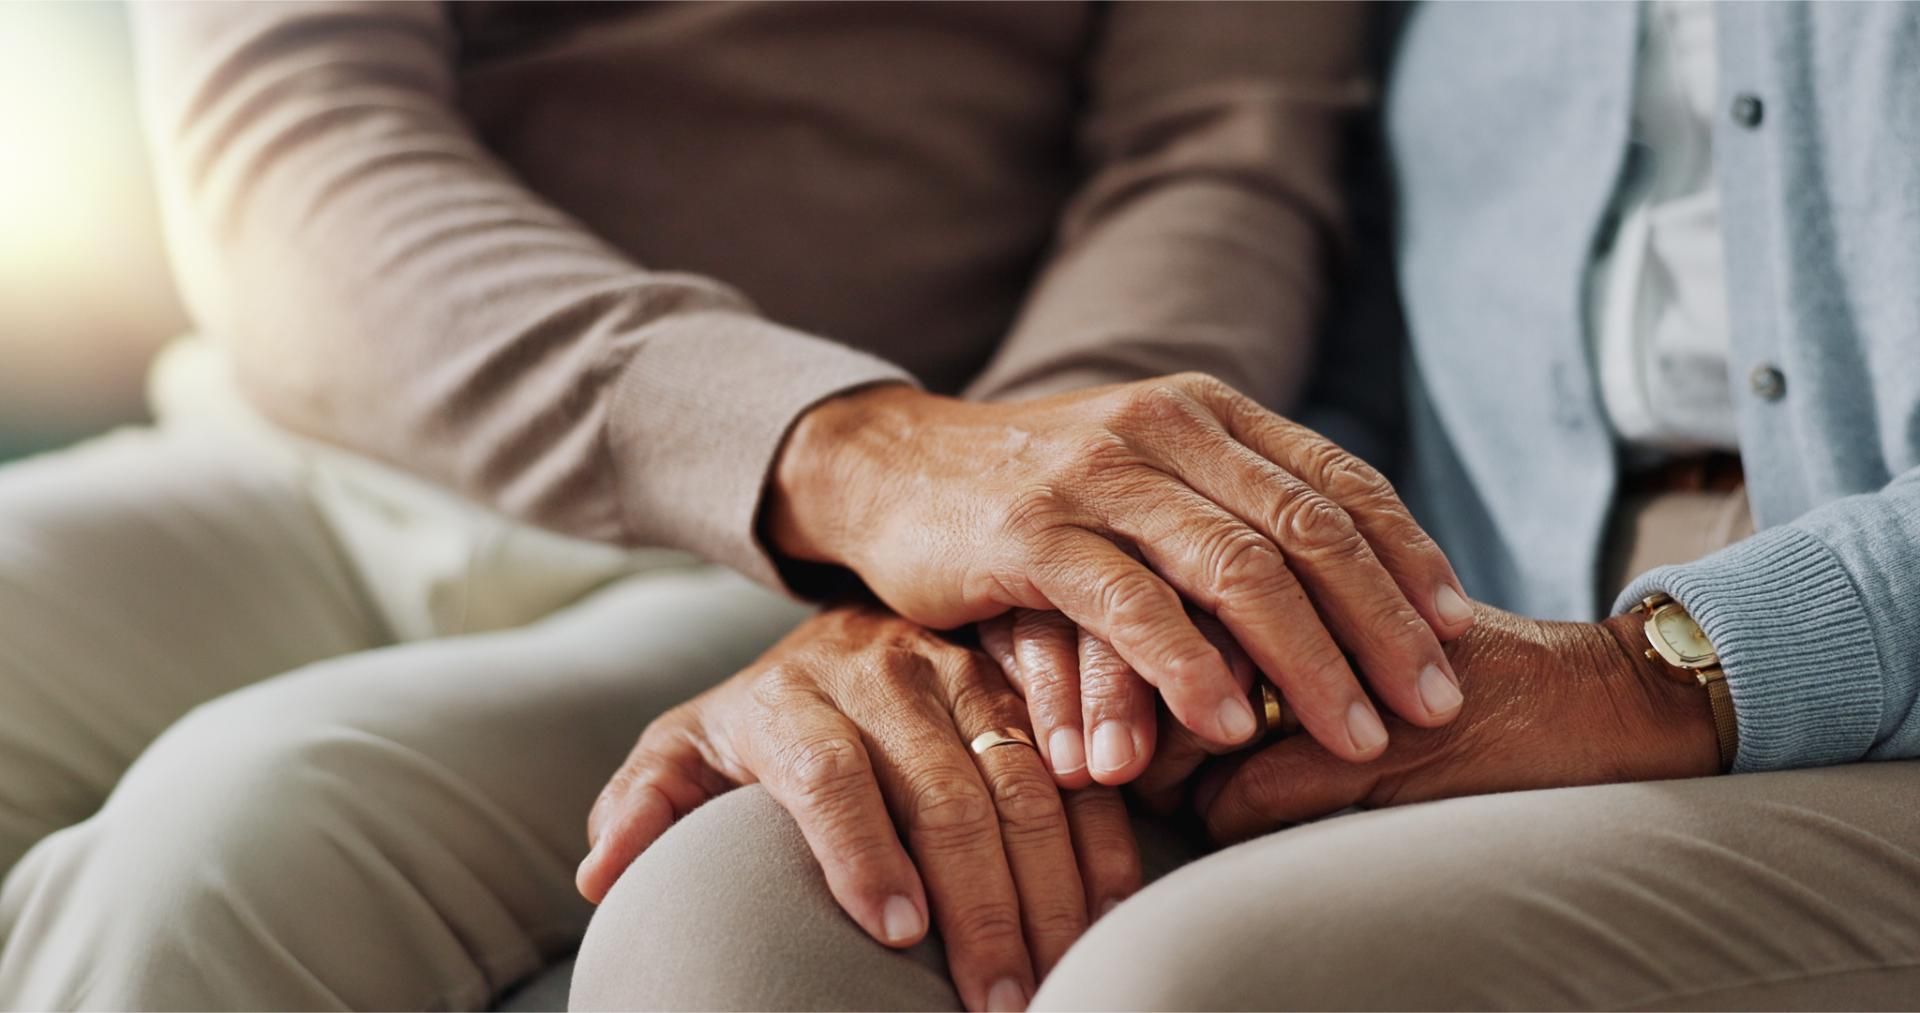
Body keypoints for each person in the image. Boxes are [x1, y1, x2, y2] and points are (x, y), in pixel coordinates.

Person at [0, 2, 1430, 1008]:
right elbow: (288, 140)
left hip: (817, 569)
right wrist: (832, 446)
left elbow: (1207, 162)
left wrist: (1033, 519)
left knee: (231, 842)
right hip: (320, 451)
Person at [570, 2, 1920, 1010]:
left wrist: (1657, 676)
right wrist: (1081, 607)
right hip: (1471, 624)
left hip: (1857, 701)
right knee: (744, 914)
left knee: (1195, 984)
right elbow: (1360, 366)